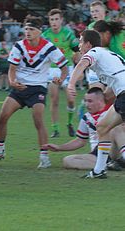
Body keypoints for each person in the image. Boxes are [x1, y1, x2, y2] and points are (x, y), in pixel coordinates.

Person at [0, 16, 68, 168]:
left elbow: (64, 67)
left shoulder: (49, 48)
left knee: (38, 119)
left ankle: (44, 157)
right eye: (26, 29)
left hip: (38, 89)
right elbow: (12, 69)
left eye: (31, 29)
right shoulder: (19, 46)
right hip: (20, 88)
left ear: (39, 31)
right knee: (3, 116)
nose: (28, 32)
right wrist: (11, 81)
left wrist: (61, 79)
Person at [67, 30, 125, 178]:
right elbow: (115, 82)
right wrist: (104, 97)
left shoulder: (94, 52)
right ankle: (99, 170)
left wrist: (71, 84)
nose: (79, 45)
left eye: (81, 41)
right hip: (122, 95)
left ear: (88, 44)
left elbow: (81, 65)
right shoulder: (110, 55)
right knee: (102, 126)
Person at [44, 87, 125, 170]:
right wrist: (59, 147)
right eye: (85, 101)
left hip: (114, 149)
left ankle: (120, 159)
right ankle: (108, 165)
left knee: (117, 129)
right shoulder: (86, 117)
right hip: (96, 153)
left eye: (90, 101)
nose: (86, 104)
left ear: (100, 101)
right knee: (68, 160)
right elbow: (80, 141)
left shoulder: (114, 113)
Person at [42, 9, 80, 138]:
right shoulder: (45, 36)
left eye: (56, 19)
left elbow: (77, 50)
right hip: (52, 70)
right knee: (54, 99)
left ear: (61, 20)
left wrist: (79, 66)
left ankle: (69, 123)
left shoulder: (68, 34)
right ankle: (55, 129)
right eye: (51, 19)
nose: (54, 22)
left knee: (70, 99)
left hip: (67, 68)